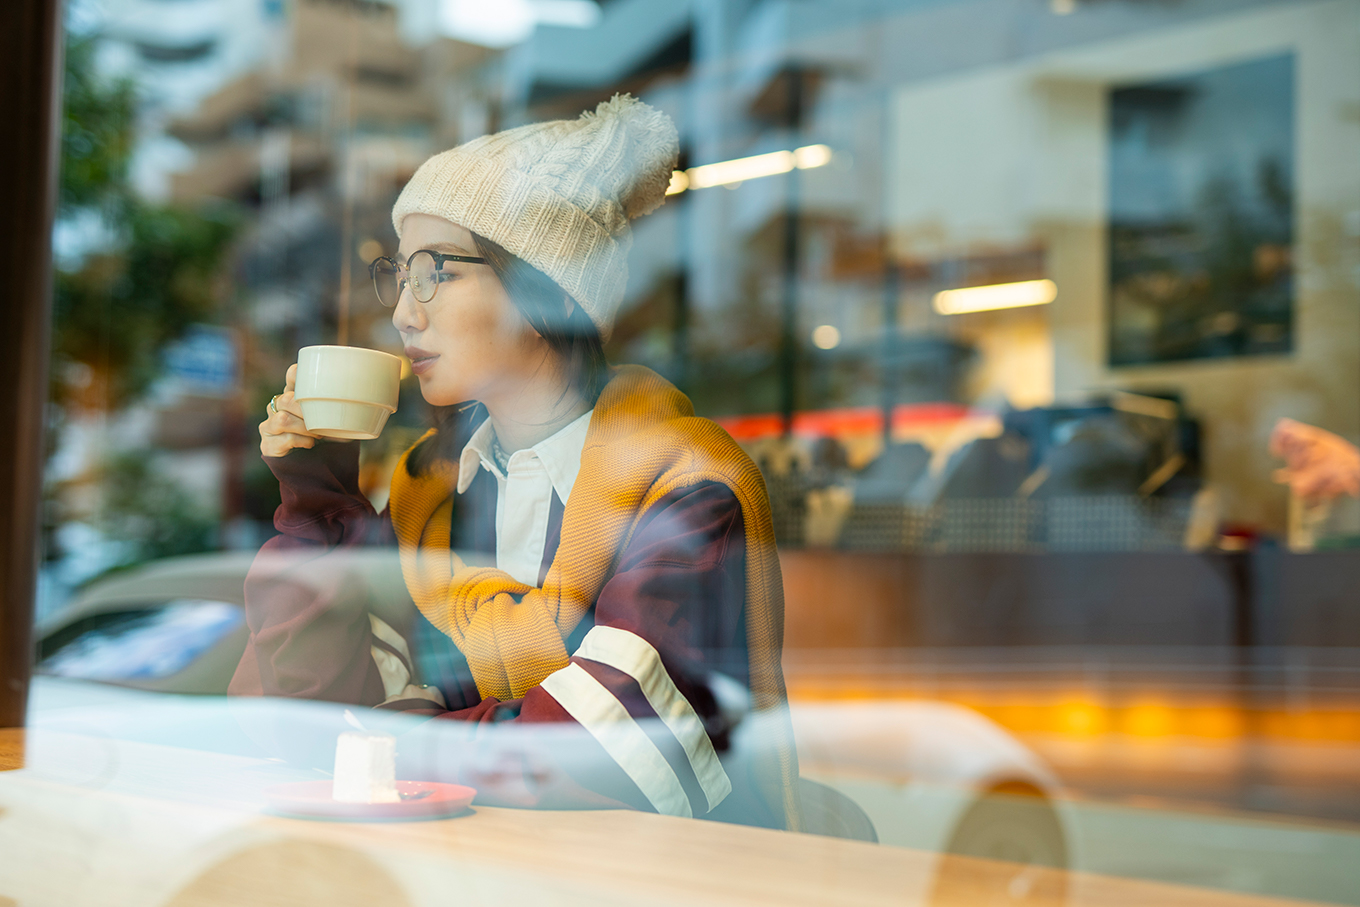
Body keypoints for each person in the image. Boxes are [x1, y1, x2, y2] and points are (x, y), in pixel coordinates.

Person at [231, 95, 800, 830]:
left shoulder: (684, 487)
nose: (405, 311)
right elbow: (309, 715)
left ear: (545, 286)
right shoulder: (428, 496)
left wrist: (402, 737)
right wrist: (320, 500)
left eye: (436, 271)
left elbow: (610, 755)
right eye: (399, 276)